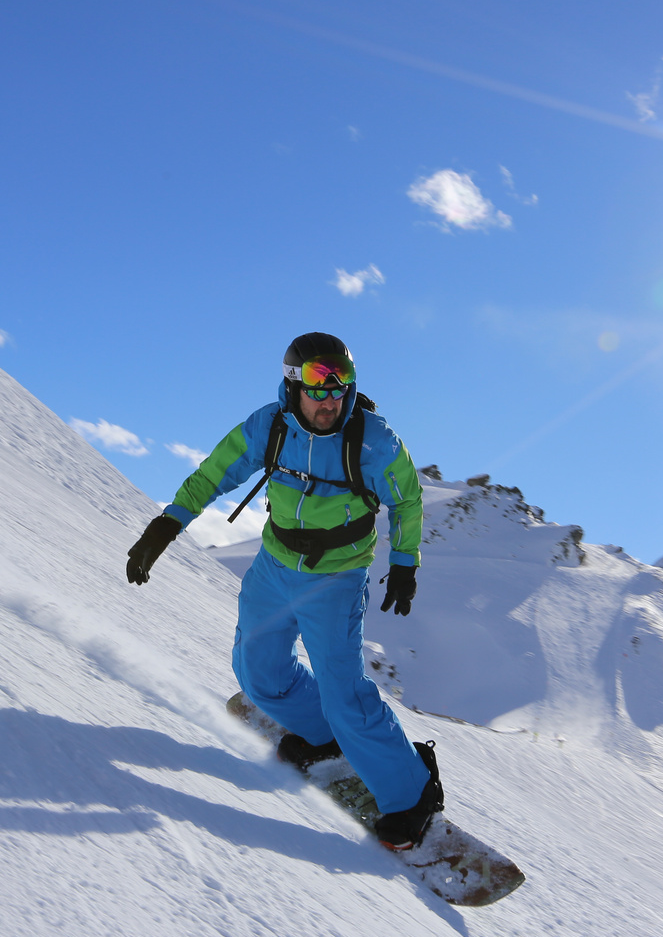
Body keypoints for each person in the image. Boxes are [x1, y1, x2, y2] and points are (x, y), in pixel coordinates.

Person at [124, 332, 443, 849]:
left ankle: (412, 793)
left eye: (340, 383)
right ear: (293, 383)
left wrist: (405, 563)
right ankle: (322, 738)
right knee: (257, 674)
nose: (331, 397)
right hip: (274, 567)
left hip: (337, 578)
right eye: (318, 383)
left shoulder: (374, 441)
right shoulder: (269, 428)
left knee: (345, 692)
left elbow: (406, 500)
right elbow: (215, 473)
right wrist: (167, 524)